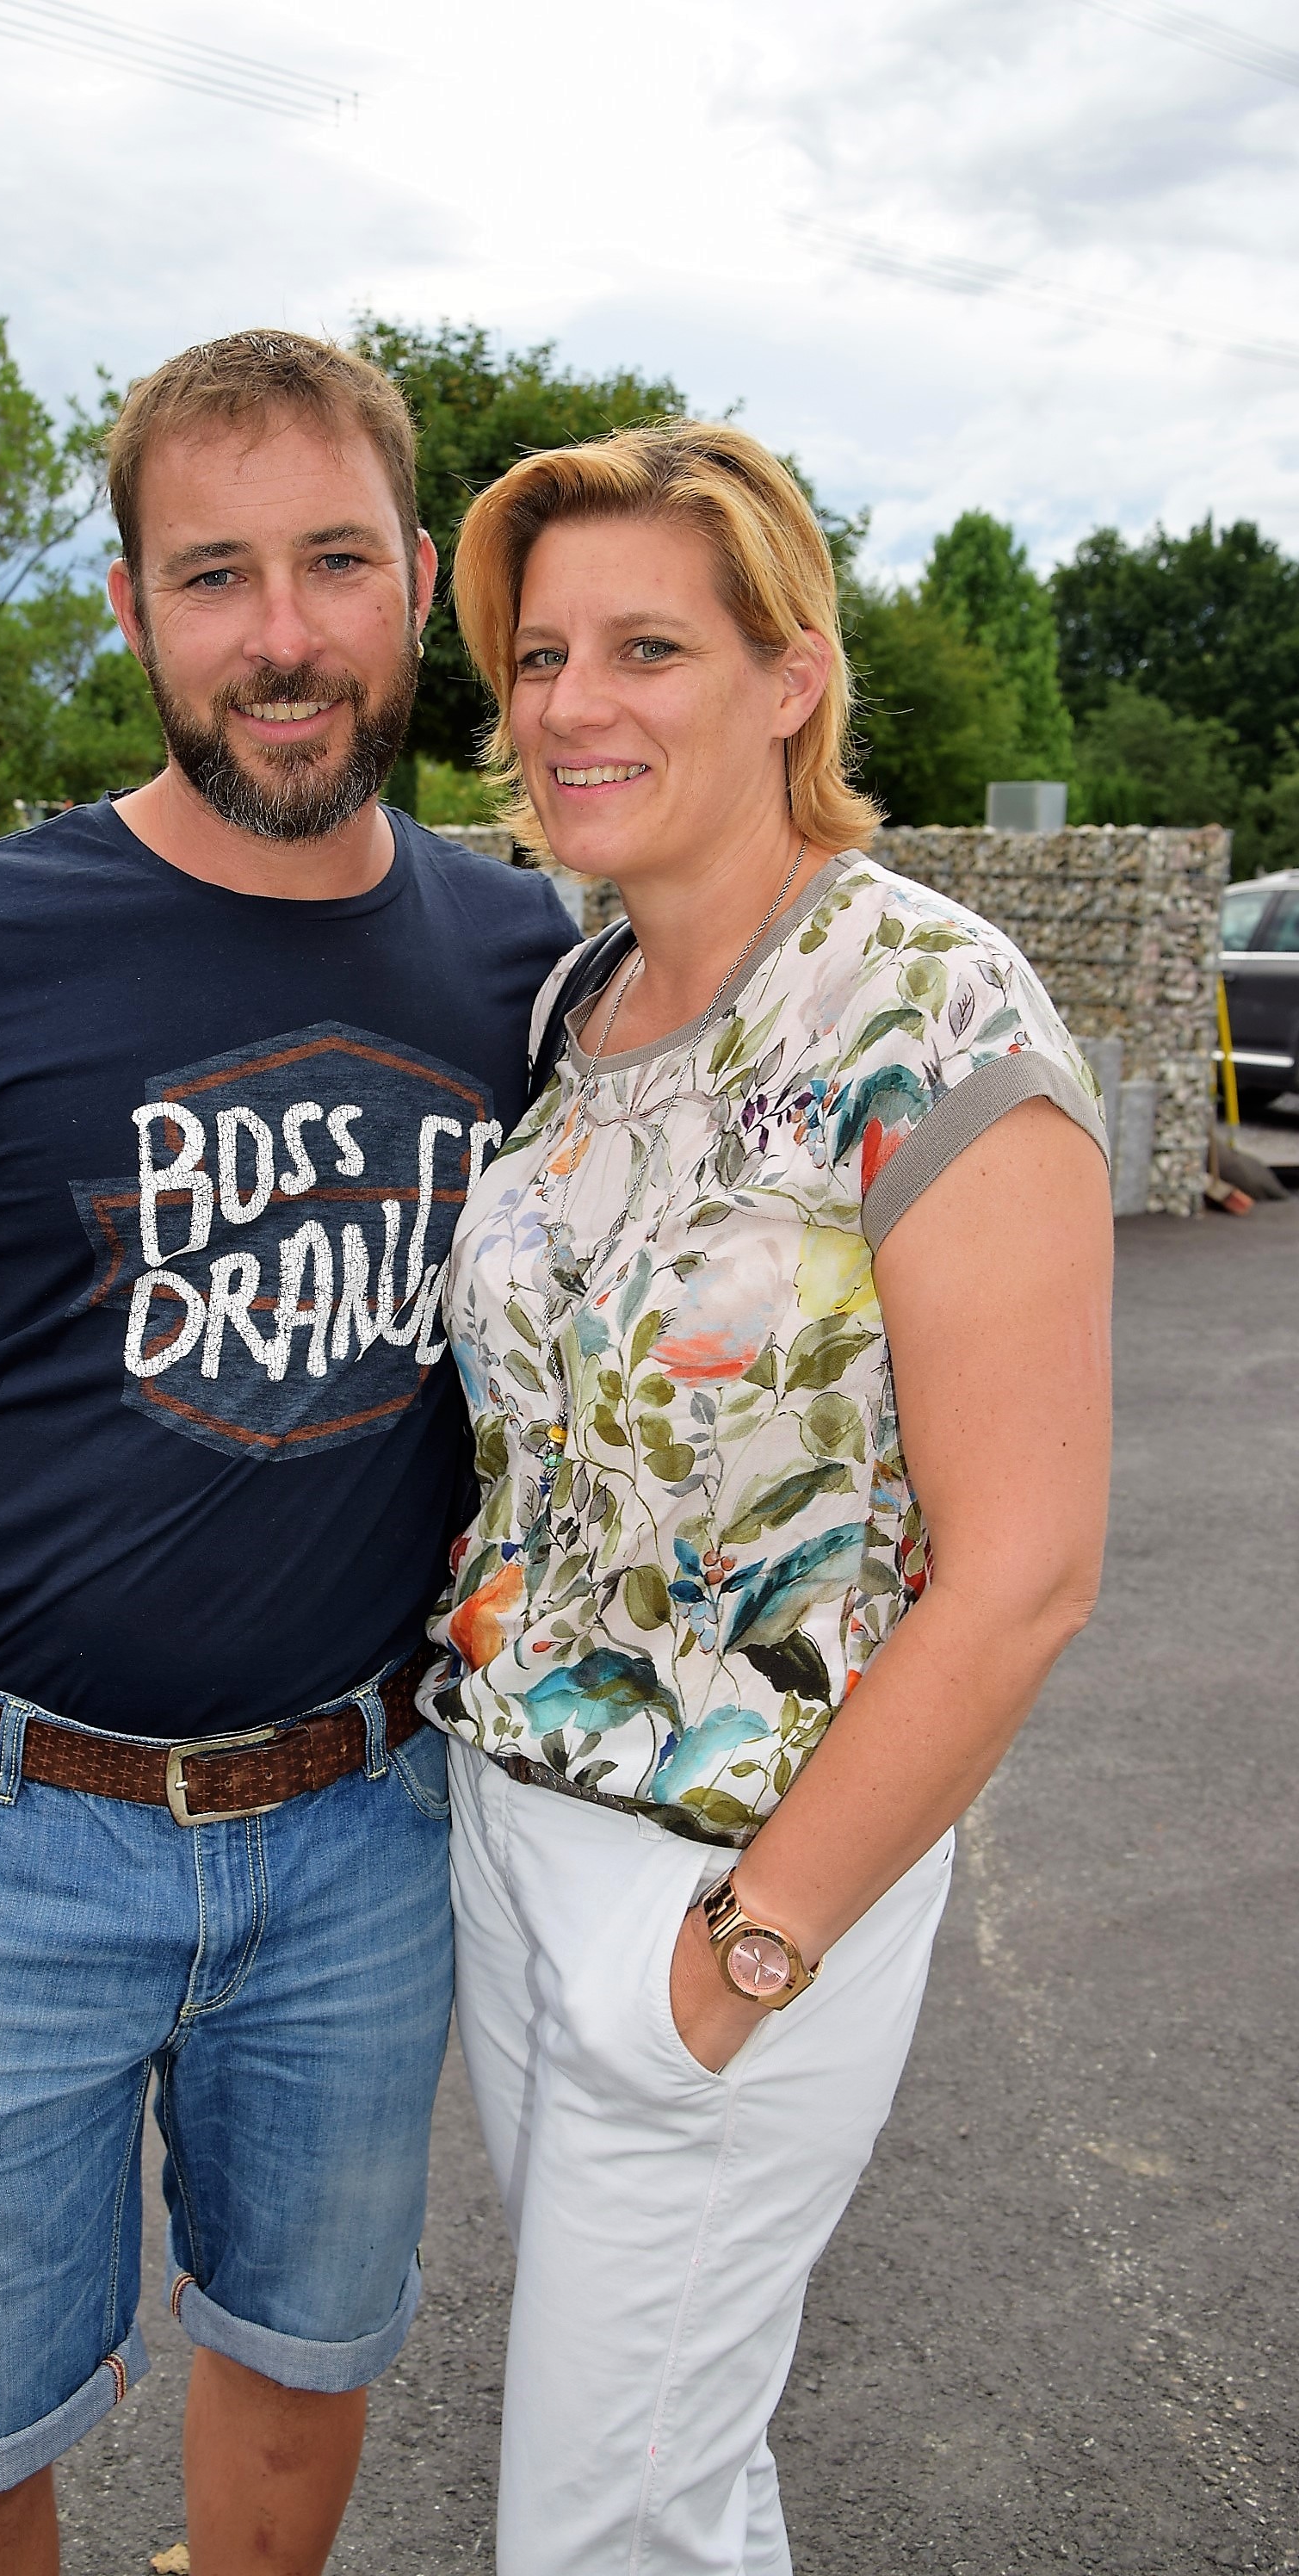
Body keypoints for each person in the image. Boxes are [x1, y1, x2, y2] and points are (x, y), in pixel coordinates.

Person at [0, 329, 575, 2576]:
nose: (282, 636)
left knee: (303, 2355)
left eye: (335, 562)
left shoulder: (522, 956)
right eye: (213, 574)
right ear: (132, 609)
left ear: (416, 582)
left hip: (362, 1824)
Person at [418, 422, 1115, 2574]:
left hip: (737, 1869)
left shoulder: (925, 1005)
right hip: (509, 1835)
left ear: (791, 675)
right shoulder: (577, 996)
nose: (574, 703)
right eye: (542, 655)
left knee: (595, 2523)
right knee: (674, 2475)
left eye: (648, 646)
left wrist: (748, 1947)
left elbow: (1023, 1572)